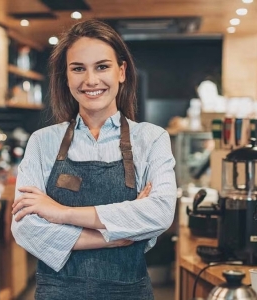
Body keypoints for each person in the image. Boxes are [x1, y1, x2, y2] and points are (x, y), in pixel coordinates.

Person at [11, 19, 177, 300]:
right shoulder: (42, 142)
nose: (90, 80)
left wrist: (61, 213)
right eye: (78, 69)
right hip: (57, 293)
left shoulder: (151, 139)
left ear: (121, 71)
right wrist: (116, 236)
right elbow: (25, 226)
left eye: (102, 66)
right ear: (66, 76)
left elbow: (159, 213)